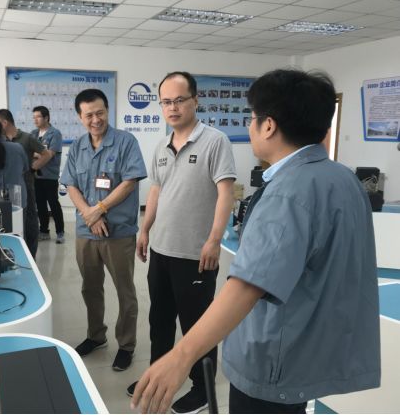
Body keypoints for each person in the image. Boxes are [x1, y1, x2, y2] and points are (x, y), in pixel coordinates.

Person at [131, 69, 381, 414]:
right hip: (311, 351)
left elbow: (248, 286)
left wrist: (181, 356)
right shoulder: (343, 179)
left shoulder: (287, 194)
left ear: (268, 126)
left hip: (274, 360)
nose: (250, 126)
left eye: (252, 118)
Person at [126, 71, 237, 414]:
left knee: (197, 327)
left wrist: (214, 241)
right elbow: (156, 191)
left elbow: (226, 194)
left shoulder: (215, 141)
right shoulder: (161, 145)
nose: (172, 108)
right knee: (159, 322)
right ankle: (157, 377)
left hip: (195, 254)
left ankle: (202, 390)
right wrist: (145, 229)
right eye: (166, 102)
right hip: (161, 250)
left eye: (179, 100)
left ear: (195, 101)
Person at [60, 88, 147, 371]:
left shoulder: (125, 142)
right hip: (86, 233)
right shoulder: (77, 146)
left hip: (118, 233)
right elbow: (70, 184)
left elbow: (129, 182)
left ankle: (126, 344)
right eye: (89, 115)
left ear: (107, 111)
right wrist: (90, 215)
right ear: (80, 117)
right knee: (90, 288)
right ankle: (96, 336)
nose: (95, 120)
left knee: (125, 291)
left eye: (100, 113)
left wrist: (100, 209)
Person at [0, 109, 47, 258]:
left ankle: (30, 257)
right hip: (6, 189)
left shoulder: (26, 138)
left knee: (30, 223)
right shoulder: (0, 141)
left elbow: (46, 154)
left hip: (26, 186)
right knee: (11, 224)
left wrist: (33, 168)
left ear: (5, 122)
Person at [30, 105, 65, 244]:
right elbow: (31, 152)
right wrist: (39, 154)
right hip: (36, 175)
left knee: (53, 204)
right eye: (34, 117)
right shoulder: (33, 133)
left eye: (38, 117)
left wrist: (36, 154)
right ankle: (44, 231)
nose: (35, 120)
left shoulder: (55, 134)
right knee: (40, 204)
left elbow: (50, 154)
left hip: (50, 176)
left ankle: (60, 232)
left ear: (46, 118)